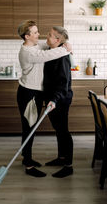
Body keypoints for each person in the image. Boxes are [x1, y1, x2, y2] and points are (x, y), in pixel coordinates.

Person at [17, 20, 71, 178]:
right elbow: (48, 54)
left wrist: (66, 43)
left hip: (36, 92)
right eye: (34, 32)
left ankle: (27, 158)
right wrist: (67, 49)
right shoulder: (28, 52)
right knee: (29, 129)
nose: (38, 34)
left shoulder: (35, 45)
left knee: (31, 127)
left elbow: (52, 45)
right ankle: (28, 164)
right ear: (27, 36)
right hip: (28, 94)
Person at [43, 26, 73, 178]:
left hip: (60, 99)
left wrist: (54, 100)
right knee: (58, 129)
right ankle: (61, 158)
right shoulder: (52, 52)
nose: (46, 37)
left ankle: (68, 165)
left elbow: (63, 83)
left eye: (50, 35)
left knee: (63, 131)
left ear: (58, 40)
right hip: (53, 98)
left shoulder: (62, 57)